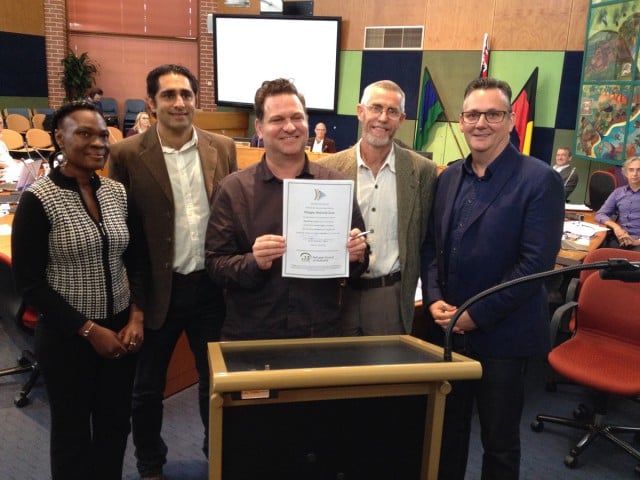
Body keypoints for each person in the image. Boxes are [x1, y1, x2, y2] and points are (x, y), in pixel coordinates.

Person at [420, 77, 565, 480]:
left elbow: (535, 264)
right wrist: (433, 297)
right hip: (447, 331)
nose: (480, 122)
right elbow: (432, 246)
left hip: (503, 336)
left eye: (492, 114)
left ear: (509, 121)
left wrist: (475, 315)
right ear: (462, 122)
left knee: (499, 444)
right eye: (472, 114)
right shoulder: (448, 177)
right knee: (446, 433)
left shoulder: (539, 180)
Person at [109, 64, 237, 480]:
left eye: (186, 94)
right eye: (168, 95)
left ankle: (216, 453)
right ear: (152, 102)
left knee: (214, 383)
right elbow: (120, 232)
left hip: (210, 291)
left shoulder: (223, 147)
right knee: (146, 390)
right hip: (155, 294)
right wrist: (135, 305)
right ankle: (150, 464)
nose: (179, 102)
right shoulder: (127, 154)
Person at [11, 101, 146, 479]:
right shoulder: (40, 199)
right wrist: (89, 330)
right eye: (84, 134)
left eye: (103, 134)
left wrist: (136, 316)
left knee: (115, 426)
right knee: (72, 435)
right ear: (60, 137)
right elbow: (29, 282)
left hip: (121, 332)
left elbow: (135, 260)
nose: (97, 143)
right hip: (67, 337)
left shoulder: (117, 193)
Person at [205, 78, 368, 340]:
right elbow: (215, 265)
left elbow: (360, 260)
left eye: (297, 117)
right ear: (259, 127)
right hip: (251, 336)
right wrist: (253, 262)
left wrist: (357, 255)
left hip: (318, 334)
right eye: (278, 119)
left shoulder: (336, 186)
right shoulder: (233, 190)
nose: (290, 127)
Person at [320, 80, 437, 335]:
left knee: (386, 373)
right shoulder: (328, 169)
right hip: (339, 294)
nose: (382, 118)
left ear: (401, 119)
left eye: (392, 111)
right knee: (336, 372)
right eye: (376, 108)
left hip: (390, 298)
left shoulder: (422, 172)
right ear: (361, 111)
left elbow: (428, 239)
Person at [595, 156, 640, 250]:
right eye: (631, 170)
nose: (635, 174)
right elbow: (600, 214)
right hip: (620, 239)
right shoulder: (618, 193)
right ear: (626, 173)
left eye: (639, 170)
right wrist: (616, 228)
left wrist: (636, 242)